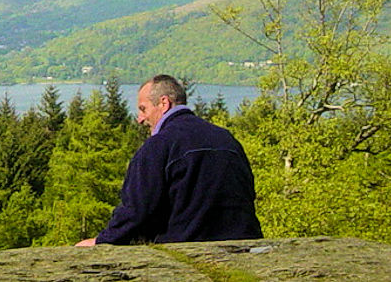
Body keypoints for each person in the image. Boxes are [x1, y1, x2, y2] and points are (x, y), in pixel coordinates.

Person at [76, 74, 262, 246]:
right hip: (244, 247)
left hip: (187, 252)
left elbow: (136, 211)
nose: (140, 119)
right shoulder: (227, 139)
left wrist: (101, 241)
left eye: (143, 109)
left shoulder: (158, 146)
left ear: (163, 103)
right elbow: (248, 194)